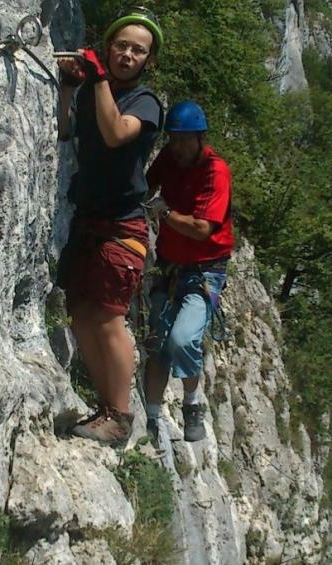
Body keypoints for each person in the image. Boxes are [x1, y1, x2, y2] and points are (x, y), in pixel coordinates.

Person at [55, 7, 164, 446]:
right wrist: (69, 90)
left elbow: (118, 133)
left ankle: (120, 415)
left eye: (138, 50)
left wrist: (98, 79)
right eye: (121, 45)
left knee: (108, 317)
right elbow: (66, 132)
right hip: (89, 218)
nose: (127, 55)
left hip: (123, 224)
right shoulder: (93, 92)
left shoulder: (146, 102)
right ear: (109, 47)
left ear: (147, 61)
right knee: (82, 314)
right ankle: (106, 408)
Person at [142, 101, 234, 443]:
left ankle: (192, 402)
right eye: (174, 139)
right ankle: (152, 419)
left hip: (204, 271)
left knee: (183, 338)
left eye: (185, 140)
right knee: (158, 343)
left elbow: (201, 229)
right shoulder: (169, 158)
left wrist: (163, 214)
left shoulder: (215, 171)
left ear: (200, 138)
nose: (178, 146)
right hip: (169, 264)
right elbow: (146, 186)